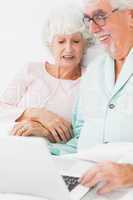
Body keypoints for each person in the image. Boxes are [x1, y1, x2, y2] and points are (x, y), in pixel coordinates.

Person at [0, 5, 92, 155]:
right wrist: (37, 114)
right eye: (61, 41)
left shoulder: (91, 80)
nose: (68, 49)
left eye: (75, 41)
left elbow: (86, 133)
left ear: (85, 45)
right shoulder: (31, 70)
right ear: (51, 44)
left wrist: (44, 132)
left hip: (54, 159)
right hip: (11, 151)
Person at [72, 0, 133, 194]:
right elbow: (80, 128)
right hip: (85, 178)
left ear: (130, 16)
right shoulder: (94, 69)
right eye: (88, 19)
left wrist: (130, 172)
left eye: (99, 17)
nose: (92, 28)